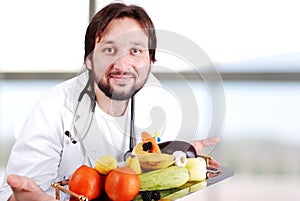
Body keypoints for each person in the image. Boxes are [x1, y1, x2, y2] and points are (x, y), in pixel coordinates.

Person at [0, 2, 220, 201]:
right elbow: (14, 192)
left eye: (135, 51)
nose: (122, 65)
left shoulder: (158, 109)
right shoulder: (54, 109)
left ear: (150, 61)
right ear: (89, 60)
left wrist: (183, 156)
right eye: (109, 50)